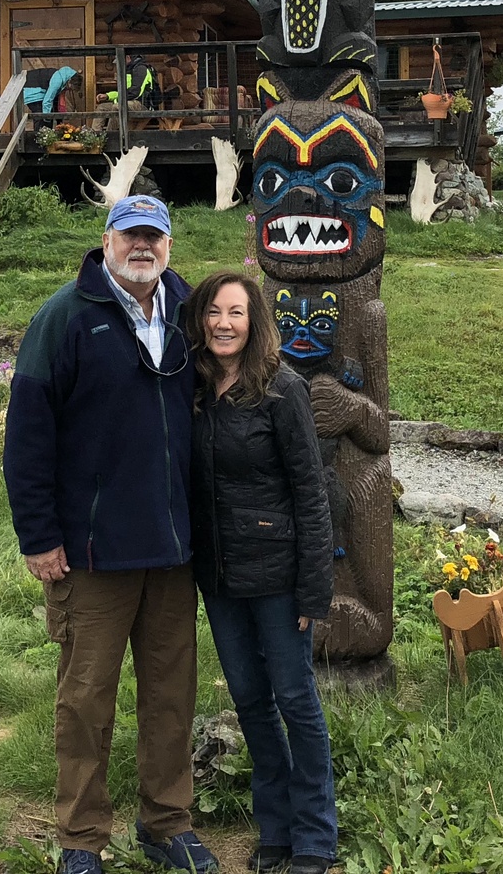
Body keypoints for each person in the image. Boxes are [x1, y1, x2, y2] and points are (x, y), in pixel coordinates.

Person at [3, 195, 219, 874]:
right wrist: (39, 537)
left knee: (171, 696)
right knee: (85, 701)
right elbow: (27, 438)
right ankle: (80, 838)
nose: (143, 247)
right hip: (91, 555)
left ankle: (166, 824)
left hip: (173, 549)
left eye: (155, 236)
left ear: (170, 246)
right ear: (106, 241)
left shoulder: (190, 314)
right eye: (132, 236)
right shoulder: (64, 317)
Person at [184, 272, 338, 874]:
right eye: (215, 312)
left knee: (295, 700)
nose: (224, 323)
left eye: (237, 313)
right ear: (201, 320)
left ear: (254, 323)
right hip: (220, 578)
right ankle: (273, 828)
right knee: (250, 702)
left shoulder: (283, 390)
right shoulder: (193, 389)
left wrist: (314, 586)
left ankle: (314, 836)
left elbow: (312, 491)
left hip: (277, 575)